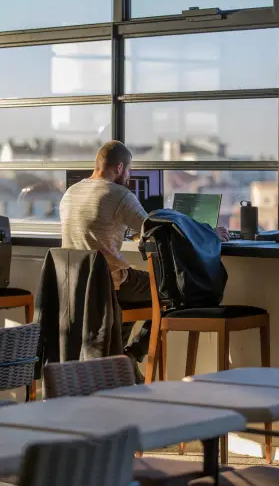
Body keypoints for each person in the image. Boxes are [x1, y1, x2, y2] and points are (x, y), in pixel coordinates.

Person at [60, 140, 229, 382]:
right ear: (119, 168)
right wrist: (209, 232)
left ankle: (119, 357)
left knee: (141, 293)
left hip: (76, 283)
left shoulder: (70, 193)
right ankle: (133, 353)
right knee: (171, 293)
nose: (129, 177)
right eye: (129, 171)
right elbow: (155, 232)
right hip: (110, 281)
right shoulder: (118, 194)